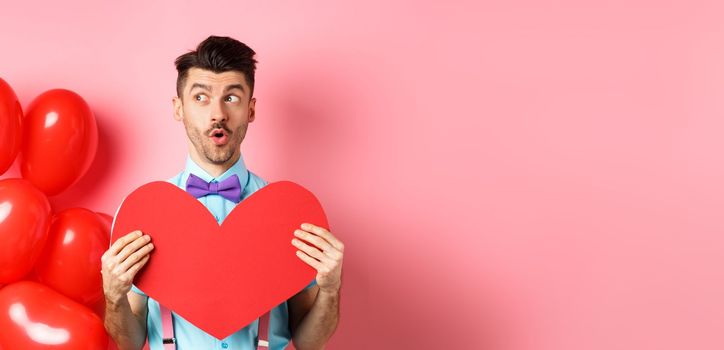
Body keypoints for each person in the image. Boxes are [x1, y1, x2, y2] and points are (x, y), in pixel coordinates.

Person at [101, 36, 344, 350]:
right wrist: (113, 296)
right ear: (178, 108)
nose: (217, 114)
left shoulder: (289, 213)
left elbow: (311, 342)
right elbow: (129, 342)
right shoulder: (144, 211)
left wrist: (331, 289)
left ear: (250, 109)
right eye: (201, 97)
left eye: (232, 98)